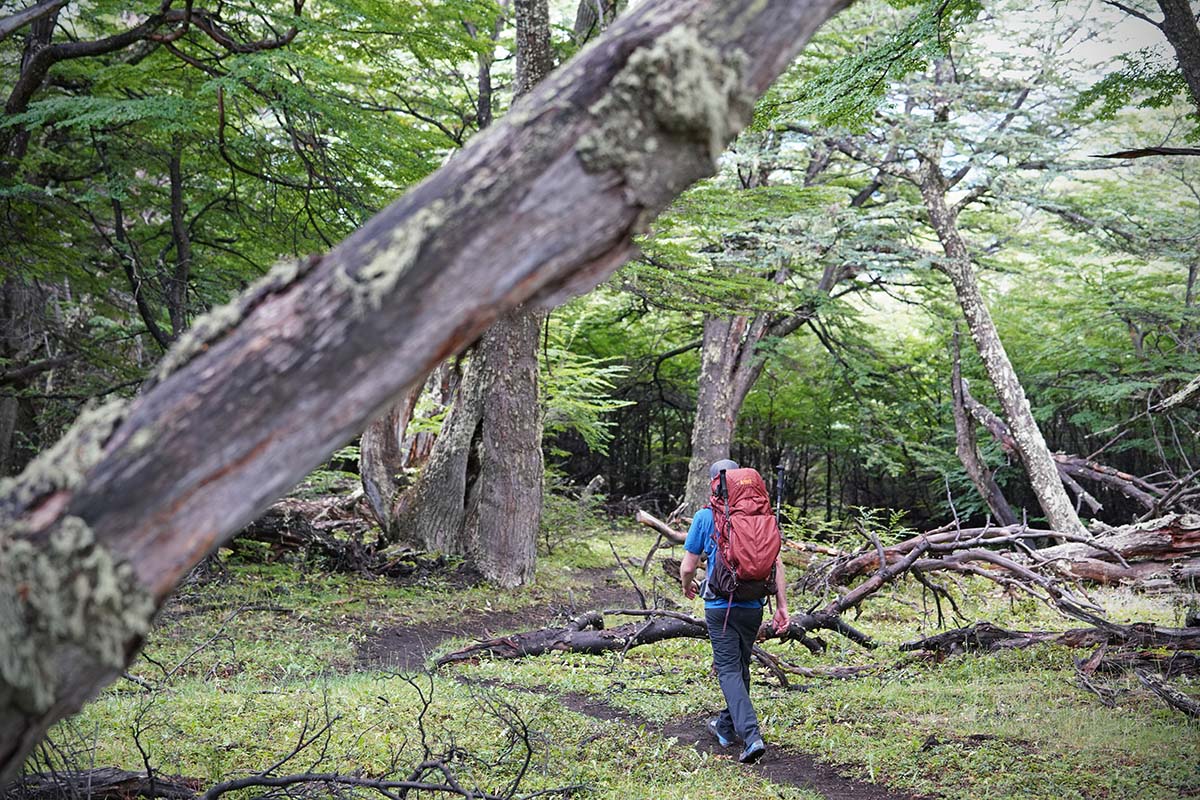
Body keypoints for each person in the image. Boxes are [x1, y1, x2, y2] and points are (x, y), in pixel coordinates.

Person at [679, 458, 789, 765]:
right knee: (740, 668)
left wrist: (687, 586)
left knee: (728, 670)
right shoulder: (763, 517)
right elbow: (776, 563)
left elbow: (688, 566)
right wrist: (782, 607)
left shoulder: (705, 517)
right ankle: (725, 727)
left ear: (714, 483)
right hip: (753, 605)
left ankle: (751, 736)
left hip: (720, 606)